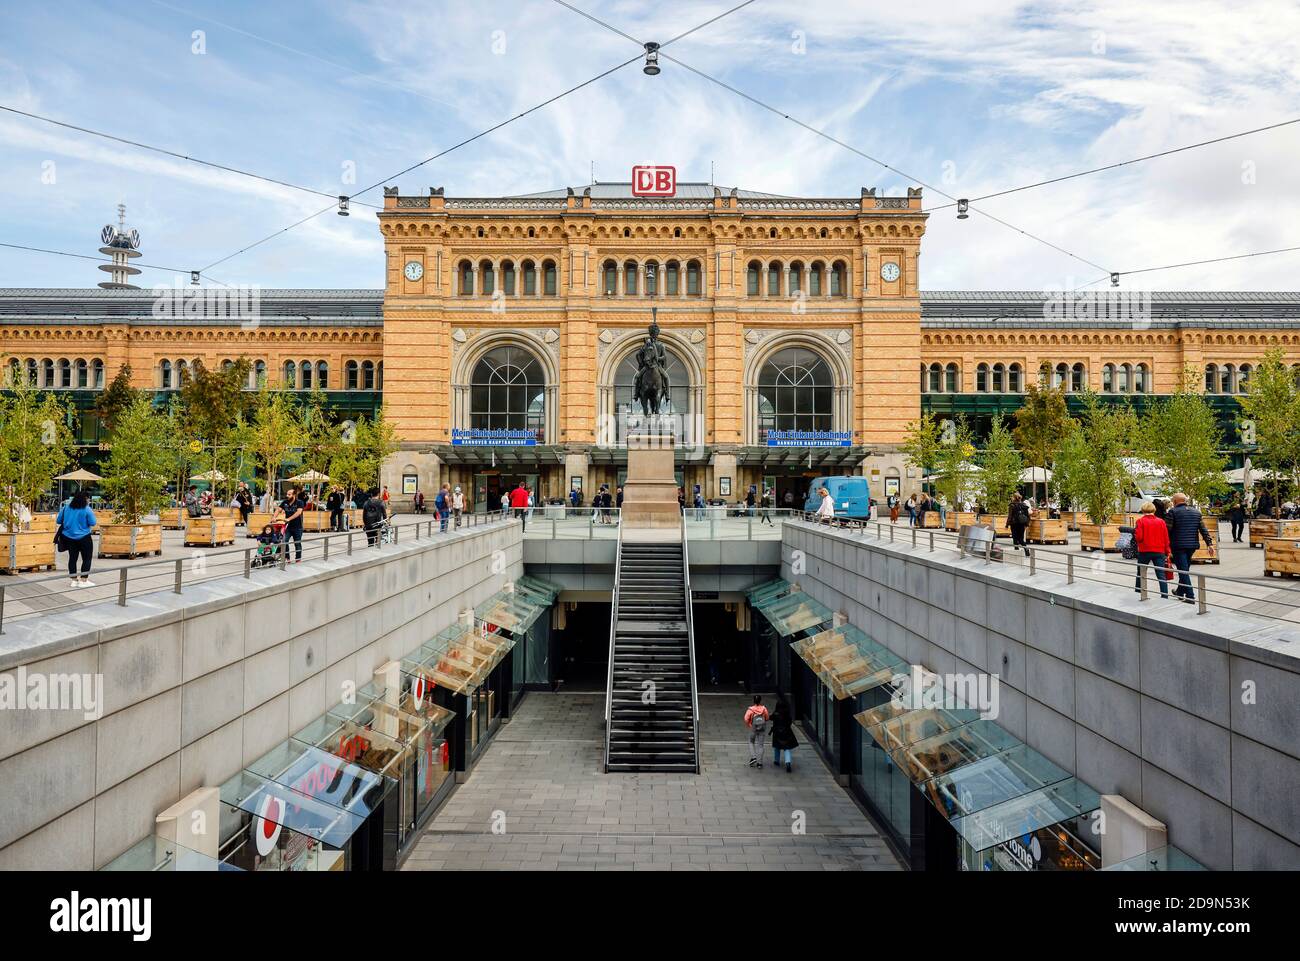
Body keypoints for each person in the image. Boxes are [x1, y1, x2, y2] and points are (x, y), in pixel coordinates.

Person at [1168, 492, 1215, 602]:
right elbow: (1203, 529)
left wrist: (1166, 545)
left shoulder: (1173, 512)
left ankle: (1190, 597)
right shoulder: (1196, 512)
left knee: (1183, 571)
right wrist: (1209, 544)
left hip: (1178, 546)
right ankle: (1180, 591)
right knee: (1184, 569)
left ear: (1175, 502)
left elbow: (1167, 530)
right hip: (1192, 546)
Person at [56, 491, 97, 588]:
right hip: (84, 537)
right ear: (85, 499)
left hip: (69, 537)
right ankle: (83, 580)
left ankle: (74, 580)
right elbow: (93, 522)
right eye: (88, 499)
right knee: (86, 558)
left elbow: (58, 520)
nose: (89, 501)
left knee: (72, 558)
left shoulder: (66, 507)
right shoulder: (87, 509)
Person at [1132, 501, 1172, 598]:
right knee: (1161, 574)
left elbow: (1139, 537)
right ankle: (1164, 596)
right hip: (1159, 551)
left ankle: (1139, 592)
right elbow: (1166, 538)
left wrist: (1135, 533)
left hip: (1144, 551)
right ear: (1154, 510)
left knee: (1141, 572)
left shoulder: (1140, 521)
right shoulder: (1161, 522)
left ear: (1143, 510)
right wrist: (1168, 551)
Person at [769, 698, 798, 772]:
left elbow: (770, 718)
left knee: (777, 746)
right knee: (787, 748)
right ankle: (788, 762)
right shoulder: (787, 714)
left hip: (777, 732)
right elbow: (790, 722)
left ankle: (776, 760)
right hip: (786, 732)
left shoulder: (776, 713)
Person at [280, 485, 306, 563]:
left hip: (298, 527)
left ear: (294, 495)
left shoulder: (299, 502)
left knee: (297, 543)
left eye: (289, 494)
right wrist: (273, 517)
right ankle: (287, 557)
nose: (287, 496)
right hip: (288, 527)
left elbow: (298, 512)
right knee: (284, 541)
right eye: (287, 494)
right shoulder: (285, 502)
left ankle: (298, 559)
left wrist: (288, 519)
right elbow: (278, 509)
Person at [744, 695, 770, 768]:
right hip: (762, 728)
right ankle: (760, 763)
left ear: (754, 701)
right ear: (760, 701)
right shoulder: (764, 709)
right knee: (760, 745)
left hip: (753, 728)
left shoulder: (750, 710)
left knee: (751, 742)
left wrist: (749, 724)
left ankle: (753, 757)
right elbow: (767, 718)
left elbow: (746, 719)